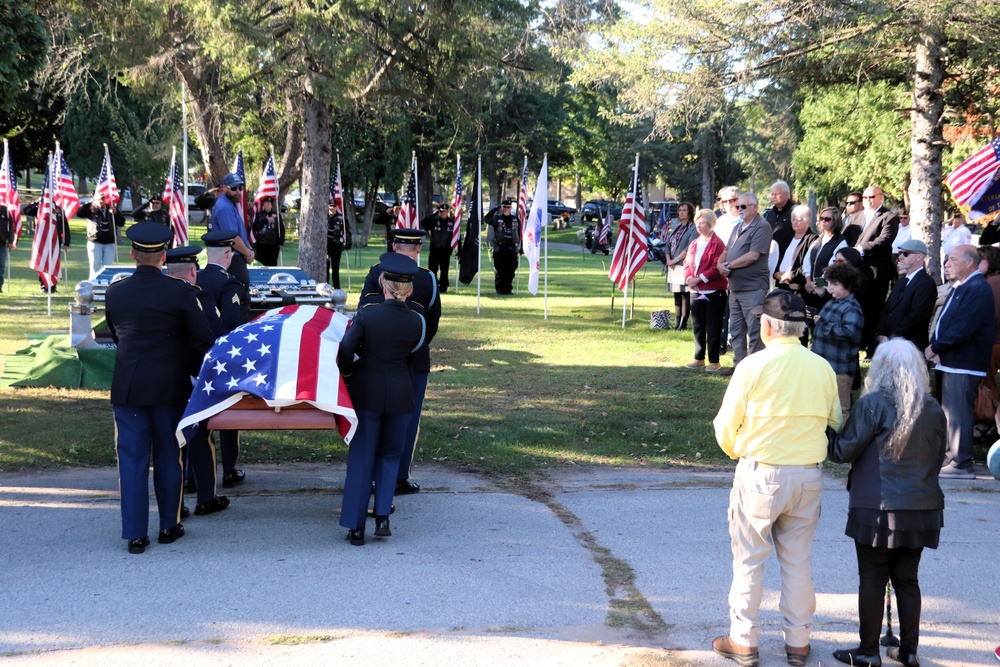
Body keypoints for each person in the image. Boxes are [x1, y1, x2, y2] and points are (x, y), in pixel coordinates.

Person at [712, 289, 840, 667]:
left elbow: (724, 426)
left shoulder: (752, 366)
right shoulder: (822, 367)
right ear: (798, 329)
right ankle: (798, 642)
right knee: (798, 561)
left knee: (750, 560)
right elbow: (835, 422)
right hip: (808, 476)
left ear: (767, 326)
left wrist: (738, 450)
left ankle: (743, 640)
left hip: (762, 472)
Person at [828, 339, 947, 667]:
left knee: (873, 575)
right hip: (922, 507)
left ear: (879, 369)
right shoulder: (933, 408)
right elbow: (937, 459)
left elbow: (841, 451)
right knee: (907, 579)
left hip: (876, 507)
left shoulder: (873, 405)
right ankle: (908, 651)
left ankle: (868, 652)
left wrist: (827, 430)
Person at [104, 222, 216, 554]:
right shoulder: (181, 291)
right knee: (170, 456)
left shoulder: (115, 292)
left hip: (129, 386)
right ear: (164, 256)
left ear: (132, 254)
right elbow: (202, 341)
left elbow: (117, 335)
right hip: (170, 386)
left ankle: (136, 535)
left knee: (132, 460)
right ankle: (169, 525)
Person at [338, 253, 426, 546]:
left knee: (363, 456)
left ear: (382, 285)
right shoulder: (418, 323)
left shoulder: (367, 314)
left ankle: (356, 526)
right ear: (409, 290)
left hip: (367, 392)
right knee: (390, 455)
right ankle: (383, 516)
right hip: (401, 394)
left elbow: (346, 350)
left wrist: (348, 374)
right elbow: (411, 355)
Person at [359, 229, 441, 494]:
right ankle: (398, 476)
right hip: (415, 357)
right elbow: (432, 323)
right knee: (408, 419)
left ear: (394, 246)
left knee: (375, 418)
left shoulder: (376, 273)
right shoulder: (428, 278)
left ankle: (372, 475)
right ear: (419, 248)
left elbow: (365, 314)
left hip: (378, 358)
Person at [163, 245, 231, 517]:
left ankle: (175, 505)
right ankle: (206, 497)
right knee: (200, 436)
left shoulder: (154, 295)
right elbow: (212, 338)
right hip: (192, 378)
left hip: (160, 379)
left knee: (169, 443)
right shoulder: (198, 297)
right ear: (194, 271)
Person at [927, 244, 995, 478]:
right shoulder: (962, 286)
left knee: (959, 413)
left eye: (952, 260)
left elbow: (964, 327)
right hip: (951, 359)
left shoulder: (977, 288)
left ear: (969, 262)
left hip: (964, 361)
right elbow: (947, 320)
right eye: (946, 259)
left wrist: (935, 346)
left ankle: (961, 463)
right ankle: (951, 456)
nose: (947, 264)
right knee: (949, 412)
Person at [198, 230, 250, 488]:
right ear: (229, 255)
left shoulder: (193, 278)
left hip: (195, 357)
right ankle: (229, 469)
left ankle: (193, 474)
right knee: (228, 413)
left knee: (197, 416)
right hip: (221, 359)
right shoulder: (229, 283)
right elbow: (233, 324)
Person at [717, 193, 772, 372]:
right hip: (735, 287)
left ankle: (755, 368)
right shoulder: (739, 227)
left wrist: (729, 265)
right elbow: (726, 250)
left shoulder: (761, 226)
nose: (738, 209)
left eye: (743, 206)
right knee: (737, 328)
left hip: (753, 287)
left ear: (755, 207)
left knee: (755, 330)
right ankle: (739, 366)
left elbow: (753, 255)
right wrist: (719, 263)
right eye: (737, 206)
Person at [811, 262, 864, 423]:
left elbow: (849, 333)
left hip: (840, 369)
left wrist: (823, 324)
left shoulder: (851, 308)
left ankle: (845, 443)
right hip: (824, 365)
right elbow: (821, 327)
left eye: (835, 285)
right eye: (829, 284)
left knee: (841, 408)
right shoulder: (832, 302)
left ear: (847, 285)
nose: (831, 288)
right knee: (823, 405)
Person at [854, 186, 899, 357]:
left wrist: (860, 249)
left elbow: (885, 240)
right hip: (855, 271)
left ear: (880, 197)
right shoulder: (856, 216)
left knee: (873, 310)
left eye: (872, 196)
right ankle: (858, 343)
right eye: (865, 197)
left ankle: (872, 346)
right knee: (857, 308)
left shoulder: (889, 217)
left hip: (875, 273)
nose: (868, 200)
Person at [683, 208, 727, 371]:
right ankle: (699, 357)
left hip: (714, 291)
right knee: (698, 325)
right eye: (697, 223)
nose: (699, 226)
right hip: (696, 290)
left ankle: (714, 361)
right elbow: (687, 263)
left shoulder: (718, 243)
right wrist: (689, 278)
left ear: (711, 224)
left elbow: (717, 267)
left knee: (713, 326)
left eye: (703, 223)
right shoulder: (694, 243)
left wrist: (700, 278)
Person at [876, 239, 937, 351]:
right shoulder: (901, 282)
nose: (900, 257)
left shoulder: (926, 283)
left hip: (909, 347)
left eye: (905, 254)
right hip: (890, 344)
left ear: (919, 257)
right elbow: (887, 309)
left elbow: (916, 317)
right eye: (900, 253)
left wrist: (892, 337)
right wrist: (881, 333)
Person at [210, 172, 254, 291]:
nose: (238, 191)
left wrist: (248, 248)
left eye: (241, 188)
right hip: (232, 261)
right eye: (233, 188)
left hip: (233, 259)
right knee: (240, 300)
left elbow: (239, 233)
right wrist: (248, 253)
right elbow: (232, 238)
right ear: (223, 188)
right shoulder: (225, 207)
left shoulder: (229, 204)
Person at [23, 199, 71, 292]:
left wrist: (66, 243)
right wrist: (37, 202)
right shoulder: (40, 209)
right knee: (42, 263)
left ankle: (53, 286)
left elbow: (66, 228)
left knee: (54, 263)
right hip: (43, 240)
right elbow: (26, 210)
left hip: (56, 240)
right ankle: (44, 285)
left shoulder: (59, 210)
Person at [976, 246, 1000, 430]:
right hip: (993, 340)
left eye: (980, 259)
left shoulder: (993, 283)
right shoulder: (991, 282)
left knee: (987, 384)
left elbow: (991, 316)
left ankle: (988, 421)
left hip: (993, 342)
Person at [664, 202, 699, 330]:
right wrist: (669, 259)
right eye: (680, 210)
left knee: (685, 294)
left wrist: (676, 259)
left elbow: (689, 247)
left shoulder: (693, 228)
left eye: (684, 210)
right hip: (672, 265)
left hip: (683, 265)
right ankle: (677, 321)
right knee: (676, 294)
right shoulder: (677, 227)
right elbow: (667, 244)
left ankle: (683, 323)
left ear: (690, 213)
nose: (681, 212)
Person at [79, 191, 126, 280]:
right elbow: (80, 213)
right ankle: (94, 286)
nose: (101, 201)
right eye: (99, 199)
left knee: (108, 266)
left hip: (109, 242)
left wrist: (116, 213)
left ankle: (107, 286)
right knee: (95, 266)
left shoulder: (111, 209)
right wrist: (90, 202)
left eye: (103, 199)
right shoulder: (91, 209)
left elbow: (121, 222)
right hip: (95, 241)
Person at [774, 205, 817, 296]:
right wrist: (776, 273)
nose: (795, 222)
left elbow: (809, 264)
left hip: (798, 288)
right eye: (793, 219)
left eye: (799, 219)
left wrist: (791, 275)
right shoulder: (787, 237)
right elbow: (778, 256)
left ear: (807, 221)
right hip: (781, 284)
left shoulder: (812, 239)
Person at [484, 200, 521, 295]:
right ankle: (500, 290)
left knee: (510, 271)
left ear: (511, 208)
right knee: (500, 271)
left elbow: (520, 234)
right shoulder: (497, 218)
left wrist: (521, 247)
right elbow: (487, 218)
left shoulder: (515, 219)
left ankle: (508, 290)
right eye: (504, 207)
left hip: (512, 249)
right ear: (502, 207)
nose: (506, 209)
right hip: (500, 249)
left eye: (508, 207)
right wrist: (496, 209)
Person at [421, 203, 455, 293]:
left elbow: (456, 237)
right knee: (432, 269)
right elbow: (423, 223)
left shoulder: (452, 223)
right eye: (441, 211)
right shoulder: (434, 221)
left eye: (445, 211)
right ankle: (433, 286)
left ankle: (443, 287)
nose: (443, 213)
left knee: (444, 270)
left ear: (448, 211)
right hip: (435, 249)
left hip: (445, 250)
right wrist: (434, 214)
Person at [763, 180, 797, 251]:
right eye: (772, 194)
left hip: (788, 252)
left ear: (786, 194)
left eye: (776, 194)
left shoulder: (796, 211)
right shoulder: (770, 213)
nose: (774, 197)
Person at [251, 197, 284, 267]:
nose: (267, 205)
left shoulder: (277, 215)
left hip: (273, 244)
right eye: (265, 203)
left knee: (272, 264)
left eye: (268, 203)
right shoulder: (259, 215)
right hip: (261, 243)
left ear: (271, 204)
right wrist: (265, 220)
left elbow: (281, 229)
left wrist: (281, 242)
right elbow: (255, 227)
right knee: (261, 264)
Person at [326, 203, 352, 289]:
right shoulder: (324, 217)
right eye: (330, 206)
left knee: (335, 266)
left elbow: (347, 231)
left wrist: (348, 243)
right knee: (326, 266)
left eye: (334, 206)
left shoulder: (341, 218)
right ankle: (326, 285)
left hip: (337, 246)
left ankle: (336, 287)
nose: (332, 208)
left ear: (336, 207)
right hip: (326, 246)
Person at [0, 204, 11, 293]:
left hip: (2, 244)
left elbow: (11, 226)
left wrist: (10, 240)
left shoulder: (5, 211)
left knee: (1, 265)